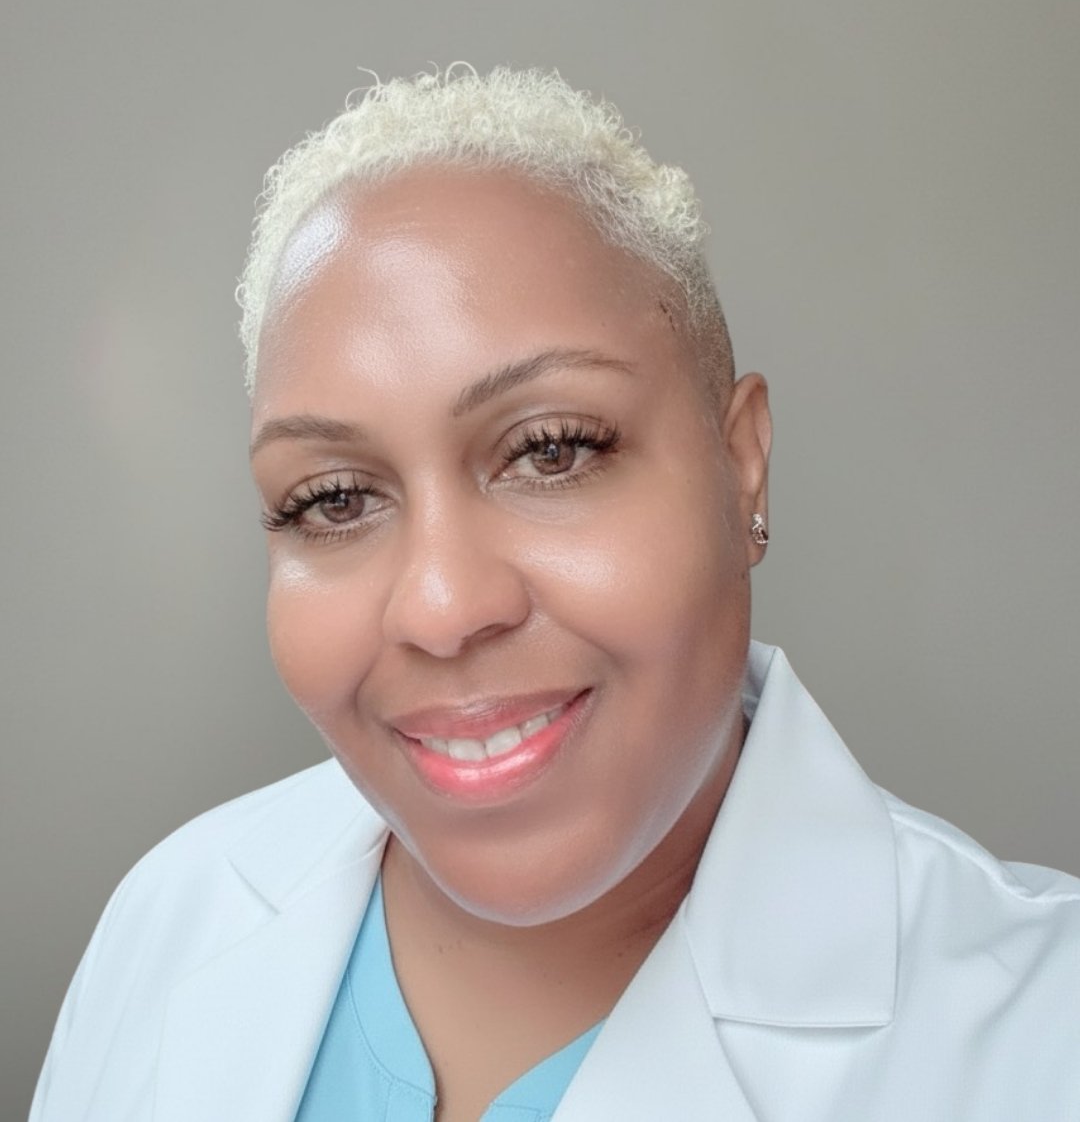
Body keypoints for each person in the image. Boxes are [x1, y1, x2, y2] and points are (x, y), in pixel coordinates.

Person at [31, 67, 1080, 1122]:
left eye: (551, 452)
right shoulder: (173, 917)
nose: (442, 608)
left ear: (743, 463)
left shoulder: (1043, 1036)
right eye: (336, 498)